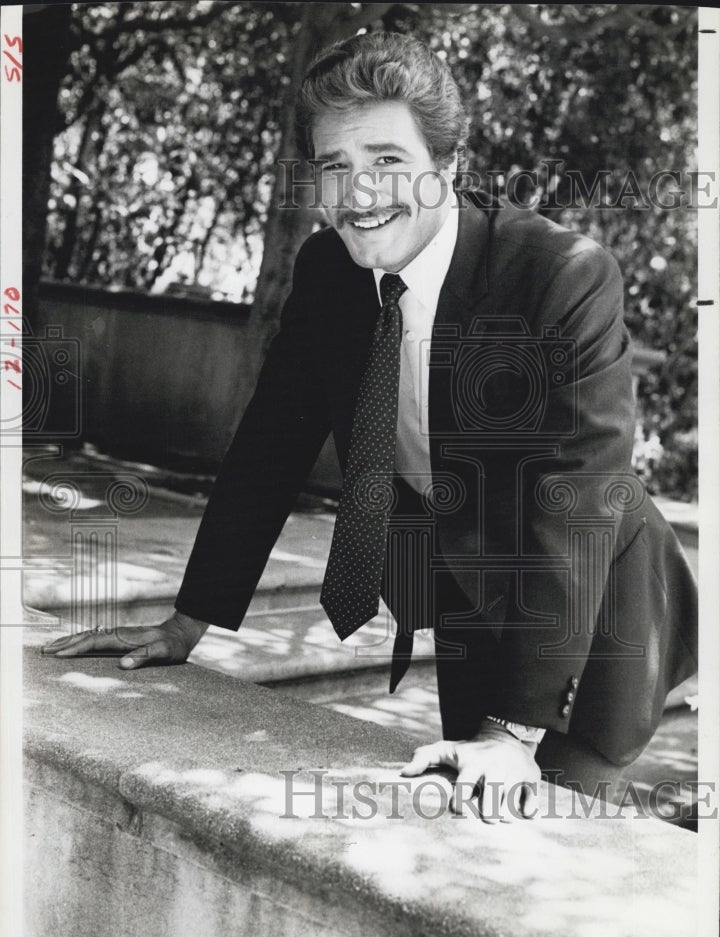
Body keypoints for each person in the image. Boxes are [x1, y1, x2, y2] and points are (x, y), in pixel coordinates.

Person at [44, 31, 697, 822]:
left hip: (592, 608)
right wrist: (189, 621)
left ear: (446, 166)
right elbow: (269, 445)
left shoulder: (560, 276)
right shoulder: (327, 274)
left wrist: (516, 727)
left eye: (387, 160)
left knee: (559, 820)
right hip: (465, 591)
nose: (358, 192)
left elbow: (575, 500)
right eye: (335, 166)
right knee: (464, 817)